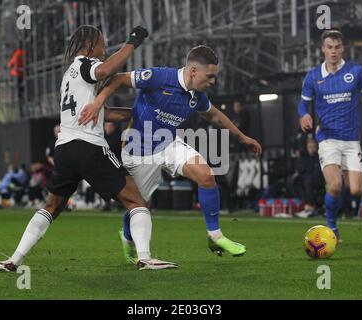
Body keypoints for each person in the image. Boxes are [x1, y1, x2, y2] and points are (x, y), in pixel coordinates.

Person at [0, 24, 177, 272]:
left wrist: (136, 114)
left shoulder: (69, 77)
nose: (104, 50)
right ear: (90, 46)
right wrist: (134, 41)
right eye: (102, 44)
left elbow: (103, 113)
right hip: (88, 147)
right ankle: (144, 257)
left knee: (51, 207)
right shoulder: (84, 65)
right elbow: (107, 69)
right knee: (137, 201)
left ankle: (14, 259)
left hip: (65, 151)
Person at [78, 45, 262, 264]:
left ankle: (215, 236)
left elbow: (214, 115)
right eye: (210, 76)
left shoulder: (198, 95)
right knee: (139, 206)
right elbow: (117, 78)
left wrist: (242, 137)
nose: (213, 82)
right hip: (138, 149)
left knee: (206, 175)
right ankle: (127, 238)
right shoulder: (158, 77)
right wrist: (97, 103)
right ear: (193, 70)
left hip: (169, 143)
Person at [297, 29, 362, 240]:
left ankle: (341, 172)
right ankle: (332, 228)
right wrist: (304, 116)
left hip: (352, 140)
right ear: (322, 49)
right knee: (334, 185)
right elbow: (302, 104)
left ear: (342, 48)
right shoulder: (313, 77)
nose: (333, 52)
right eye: (329, 48)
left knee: (355, 190)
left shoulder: (356, 71)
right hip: (327, 138)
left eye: (337, 47)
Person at [293, 138, 324, 218]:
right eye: (309, 147)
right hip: (307, 179)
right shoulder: (305, 158)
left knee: (308, 181)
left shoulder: (319, 157)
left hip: (318, 180)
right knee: (294, 181)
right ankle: (307, 204)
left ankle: (310, 207)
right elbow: (302, 170)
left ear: (316, 147)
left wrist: (306, 176)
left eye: (313, 147)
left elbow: (318, 172)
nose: (311, 149)